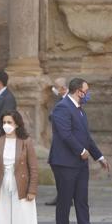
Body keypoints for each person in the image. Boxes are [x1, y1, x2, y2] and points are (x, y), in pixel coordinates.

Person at [49, 78, 110, 224]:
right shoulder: (62, 107)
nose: (87, 94)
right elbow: (65, 134)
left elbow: (86, 137)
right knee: (65, 200)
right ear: (78, 91)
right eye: (86, 90)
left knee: (82, 200)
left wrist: (99, 157)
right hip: (65, 162)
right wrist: (81, 151)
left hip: (80, 163)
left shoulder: (80, 110)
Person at [46, 77, 68, 206]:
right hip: (58, 139)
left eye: (56, 86)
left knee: (63, 169)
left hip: (64, 140)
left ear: (63, 88)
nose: (53, 89)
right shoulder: (60, 100)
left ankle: (65, 196)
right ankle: (62, 195)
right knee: (57, 167)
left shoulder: (70, 100)